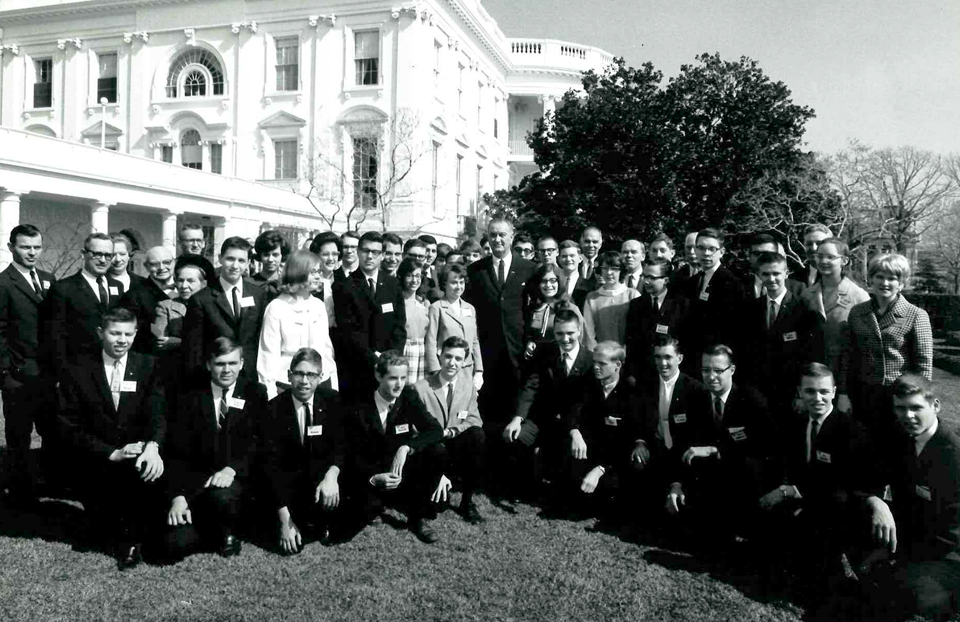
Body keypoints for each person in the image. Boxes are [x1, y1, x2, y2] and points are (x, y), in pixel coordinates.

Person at [56, 307, 166, 570]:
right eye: (115, 333)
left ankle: (130, 542)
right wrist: (111, 452)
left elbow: (158, 413)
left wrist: (152, 447)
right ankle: (105, 526)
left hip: (138, 453)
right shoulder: (78, 370)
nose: (122, 340)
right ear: (100, 333)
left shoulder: (148, 365)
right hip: (96, 455)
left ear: (136, 334)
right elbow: (66, 425)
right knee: (101, 520)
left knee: (141, 482)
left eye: (128, 334)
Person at [756, 363, 870, 591]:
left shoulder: (850, 430)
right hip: (802, 496)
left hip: (833, 506)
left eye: (824, 392)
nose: (817, 398)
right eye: (810, 391)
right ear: (799, 392)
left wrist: (787, 492)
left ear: (834, 392)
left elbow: (840, 483)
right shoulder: (796, 423)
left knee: (814, 572)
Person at [856, 374, 960, 621]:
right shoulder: (899, 438)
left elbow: (951, 530)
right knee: (855, 515)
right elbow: (871, 480)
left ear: (935, 406)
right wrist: (877, 501)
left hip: (948, 551)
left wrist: (898, 552)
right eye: (901, 408)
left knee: (907, 593)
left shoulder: (953, 454)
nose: (908, 416)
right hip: (915, 534)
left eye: (916, 408)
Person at [163, 337, 267, 561]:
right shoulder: (189, 396)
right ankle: (212, 530)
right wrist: (179, 496)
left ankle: (228, 531)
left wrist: (232, 470)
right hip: (197, 482)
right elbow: (176, 451)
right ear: (209, 364)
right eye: (220, 364)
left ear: (241, 363)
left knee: (222, 499)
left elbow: (258, 443)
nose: (226, 370)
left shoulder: (255, 393)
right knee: (173, 546)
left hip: (235, 480)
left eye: (232, 363)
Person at [665, 345, 770, 548]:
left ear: (732, 370)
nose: (711, 376)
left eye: (718, 370)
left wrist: (717, 451)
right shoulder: (693, 399)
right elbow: (682, 444)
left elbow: (762, 450)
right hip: (706, 480)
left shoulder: (751, 401)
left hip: (742, 482)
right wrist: (676, 483)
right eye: (706, 370)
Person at [345, 351, 447, 544]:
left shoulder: (408, 395)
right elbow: (351, 453)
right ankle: (378, 504)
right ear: (378, 376)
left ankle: (416, 518)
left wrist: (407, 447)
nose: (399, 384)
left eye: (403, 378)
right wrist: (373, 478)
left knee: (437, 451)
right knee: (359, 514)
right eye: (393, 378)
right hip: (371, 473)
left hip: (400, 470)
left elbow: (435, 430)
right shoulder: (359, 404)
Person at [261, 348, 351, 553]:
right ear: (289, 375)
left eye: (311, 375)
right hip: (289, 486)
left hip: (322, 481)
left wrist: (332, 475)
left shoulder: (332, 401)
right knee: (291, 545)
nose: (304, 381)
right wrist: (285, 520)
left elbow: (342, 444)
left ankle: (321, 521)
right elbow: (270, 467)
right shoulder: (272, 410)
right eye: (299, 373)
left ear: (320, 377)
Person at [838, 253, 933, 446]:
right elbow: (848, 357)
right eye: (880, 276)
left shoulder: (916, 315)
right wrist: (843, 393)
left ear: (902, 282)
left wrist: (920, 402)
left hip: (900, 397)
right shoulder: (857, 312)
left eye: (892, 278)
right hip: (863, 395)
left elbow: (924, 365)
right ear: (871, 279)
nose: (885, 283)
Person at [503, 310, 594, 500]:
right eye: (560, 333)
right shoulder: (545, 352)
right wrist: (517, 419)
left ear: (579, 331)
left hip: (573, 424)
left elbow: (583, 403)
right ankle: (527, 485)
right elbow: (531, 386)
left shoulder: (590, 360)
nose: (565, 338)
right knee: (516, 436)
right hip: (543, 418)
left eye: (570, 333)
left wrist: (574, 429)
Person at [464, 218, 537, 442]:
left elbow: (535, 309)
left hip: (519, 352)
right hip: (488, 353)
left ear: (511, 237)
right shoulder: (476, 270)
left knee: (517, 412)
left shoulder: (529, 269)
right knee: (490, 414)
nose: (497, 239)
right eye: (493, 235)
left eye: (502, 235)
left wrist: (530, 340)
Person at [0, 224, 56, 504]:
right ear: (11, 247)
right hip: (18, 375)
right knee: (19, 436)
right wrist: (6, 370)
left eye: (36, 247)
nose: (32, 252)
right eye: (25, 247)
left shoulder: (48, 278)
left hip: (48, 373)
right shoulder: (3, 283)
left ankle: (47, 482)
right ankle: (21, 491)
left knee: (51, 431)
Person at [563, 342, 647, 523]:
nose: (595, 367)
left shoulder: (632, 391)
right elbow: (572, 412)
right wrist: (575, 432)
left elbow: (627, 439)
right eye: (594, 362)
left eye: (602, 363)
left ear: (618, 365)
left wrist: (600, 469)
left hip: (617, 459)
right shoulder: (587, 382)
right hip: (591, 450)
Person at [413, 336, 485, 523]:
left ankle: (467, 501)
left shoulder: (468, 387)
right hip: (432, 449)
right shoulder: (421, 388)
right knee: (437, 508)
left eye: (458, 359)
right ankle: (436, 483)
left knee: (477, 435)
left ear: (465, 362)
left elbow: (474, 419)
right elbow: (415, 429)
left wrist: (452, 431)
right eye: (448, 356)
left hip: (455, 447)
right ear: (440, 355)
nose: (452, 363)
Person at [742, 252, 824, 413]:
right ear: (758, 275)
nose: (771, 279)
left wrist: (801, 395)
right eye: (766, 274)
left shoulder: (804, 309)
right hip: (758, 394)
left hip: (792, 395)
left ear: (786, 273)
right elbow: (746, 353)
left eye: (776, 273)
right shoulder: (750, 309)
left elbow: (812, 356)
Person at [182, 237, 268, 383]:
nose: (235, 265)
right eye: (230, 259)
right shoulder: (201, 299)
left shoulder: (258, 294)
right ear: (220, 259)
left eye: (241, 260)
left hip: (250, 375)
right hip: (215, 376)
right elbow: (193, 350)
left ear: (248, 263)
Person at [334, 231, 407, 400]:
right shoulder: (344, 286)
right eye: (366, 251)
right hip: (358, 367)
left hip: (389, 369)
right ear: (358, 252)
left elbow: (399, 325)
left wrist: (391, 359)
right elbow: (349, 331)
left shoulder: (392, 284)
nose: (369, 256)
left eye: (375, 252)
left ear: (381, 255)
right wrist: (374, 359)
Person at [257, 250, 338, 399]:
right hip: (287, 384)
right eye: (312, 271)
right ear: (298, 272)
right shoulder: (277, 307)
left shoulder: (319, 306)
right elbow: (268, 354)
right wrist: (270, 394)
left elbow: (327, 350)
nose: (318, 276)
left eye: (319, 271)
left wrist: (334, 386)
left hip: (320, 382)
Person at [44, 232, 123, 377]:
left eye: (108, 255)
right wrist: (61, 373)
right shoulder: (63, 288)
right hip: (77, 369)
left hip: (111, 366)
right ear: (83, 254)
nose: (103, 260)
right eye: (97, 254)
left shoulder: (118, 286)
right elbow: (55, 335)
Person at [637, 336, 708, 485]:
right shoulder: (645, 385)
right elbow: (639, 420)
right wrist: (640, 442)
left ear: (680, 358)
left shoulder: (696, 389)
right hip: (655, 450)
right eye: (658, 357)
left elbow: (699, 431)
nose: (662, 363)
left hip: (684, 452)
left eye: (668, 357)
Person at [800, 237, 869, 380]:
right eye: (820, 256)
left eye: (830, 257)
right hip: (814, 372)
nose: (824, 261)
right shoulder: (807, 295)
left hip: (847, 374)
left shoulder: (858, 296)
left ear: (844, 261)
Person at [682, 228, 746, 360]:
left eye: (712, 249)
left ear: (721, 252)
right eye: (701, 248)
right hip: (692, 356)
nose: (706, 253)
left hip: (717, 357)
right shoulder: (692, 282)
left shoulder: (732, 283)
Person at [624, 258, 690, 384]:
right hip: (643, 375)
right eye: (644, 276)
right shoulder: (636, 305)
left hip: (672, 373)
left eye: (652, 278)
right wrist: (631, 373)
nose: (646, 281)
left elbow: (687, 342)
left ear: (665, 280)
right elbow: (631, 342)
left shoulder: (681, 305)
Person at [425, 263, 483, 389]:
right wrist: (435, 371)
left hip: (467, 370)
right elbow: (430, 342)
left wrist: (479, 371)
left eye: (461, 282)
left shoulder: (470, 308)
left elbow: (474, 341)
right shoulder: (436, 308)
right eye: (454, 282)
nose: (458, 287)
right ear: (444, 284)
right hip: (446, 369)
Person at [119, 245, 177, 354]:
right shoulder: (133, 295)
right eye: (155, 264)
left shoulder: (186, 289)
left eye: (167, 262)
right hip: (153, 357)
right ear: (146, 266)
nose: (161, 267)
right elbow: (137, 327)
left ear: (174, 263)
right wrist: (159, 333)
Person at [523, 263, 583, 359]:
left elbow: (580, 337)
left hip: (560, 358)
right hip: (537, 359)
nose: (548, 285)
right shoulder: (533, 307)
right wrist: (529, 342)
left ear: (559, 282)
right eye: (544, 281)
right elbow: (528, 332)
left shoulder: (570, 308)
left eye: (553, 280)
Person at [582, 250, 639, 349]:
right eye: (605, 268)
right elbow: (588, 332)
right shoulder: (592, 298)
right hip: (601, 354)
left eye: (614, 269)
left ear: (621, 270)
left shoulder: (633, 295)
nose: (609, 272)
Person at [398, 257, 429, 383]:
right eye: (409, 276)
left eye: (417, 276)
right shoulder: (397, 302)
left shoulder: (424, 303)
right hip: (404, 351)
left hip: (422, 352)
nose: (414, 280)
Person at [557, 239, 593, 310]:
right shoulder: (553, 283)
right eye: (564, 256)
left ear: (580, 258)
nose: (568, 259)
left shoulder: (589, 285)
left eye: (572, 256)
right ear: (559, 259)